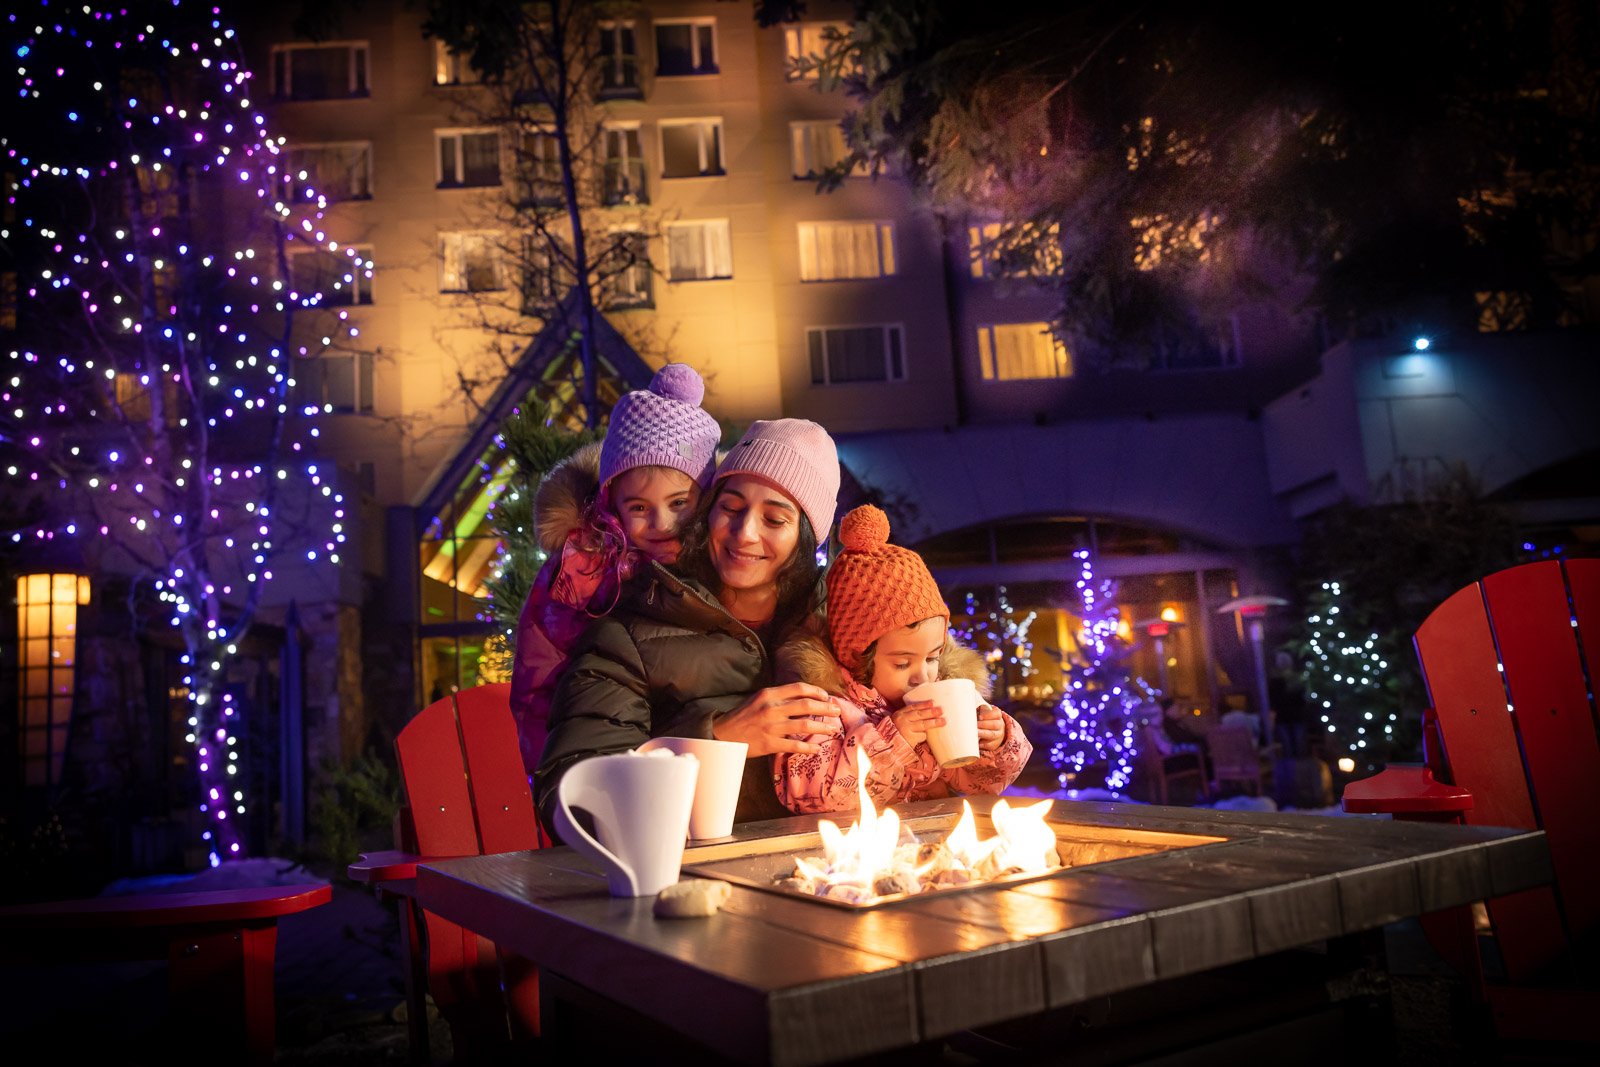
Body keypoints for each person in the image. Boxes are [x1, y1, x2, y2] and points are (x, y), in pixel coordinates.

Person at [534, 418, 844, 836]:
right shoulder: (631, 632)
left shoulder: (842, 617)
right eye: (730, 508)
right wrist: (716, 739)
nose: (745, 533)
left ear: (806, 538)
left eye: (774, 520)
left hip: (836, 865)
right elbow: (571, 802)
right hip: (695, 880)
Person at [507, 363, 720, 777]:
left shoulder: (721, 559)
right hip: (604, 766)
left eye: (679, 503)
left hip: (708, 766)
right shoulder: (581, 573)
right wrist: (552, 769)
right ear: (612, 505)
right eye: (639, 508)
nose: (662, 523)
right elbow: (540, 679)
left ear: (706, 496)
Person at [773, 505, 1031, 813]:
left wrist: (997, 743)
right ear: (858, 656)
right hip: (858, 852)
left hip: (932, 847)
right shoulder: (823, 707)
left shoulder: (948, 694)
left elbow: (980, 784)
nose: (921, 675)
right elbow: (813, 796)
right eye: (902, 663)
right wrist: (893, 742)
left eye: (933, 657)